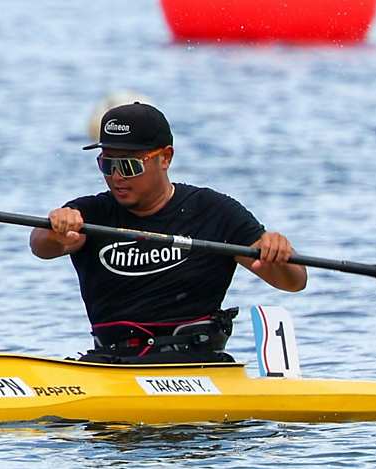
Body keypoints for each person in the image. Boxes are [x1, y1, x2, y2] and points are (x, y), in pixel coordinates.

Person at [30, 102, 307, 364]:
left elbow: (294, 282)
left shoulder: (213, 211)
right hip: (112, 365)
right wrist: (55, 230)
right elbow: (41, 246)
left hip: (198, 366)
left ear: (165, 158)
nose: (116, 177)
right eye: (107, 164)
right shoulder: (90, 214)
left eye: (129, 166)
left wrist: (278, 253)